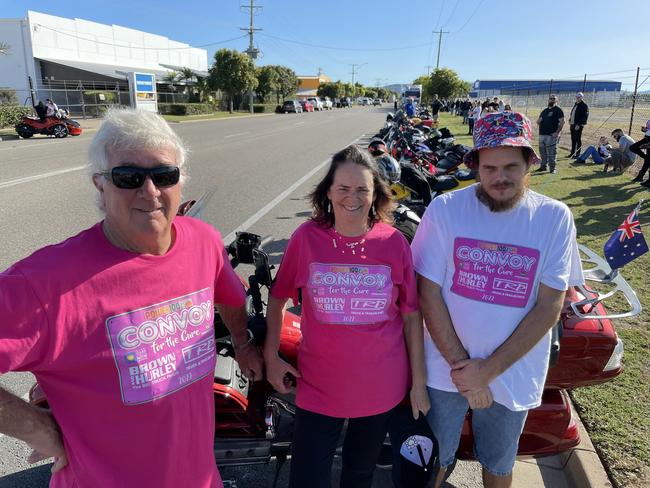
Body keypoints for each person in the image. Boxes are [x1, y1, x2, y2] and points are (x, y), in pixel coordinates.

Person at [0, 108, 264, 488]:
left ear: (181, 181)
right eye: (128, 177)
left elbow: (229, 294)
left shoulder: (203, 241)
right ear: (100, 185)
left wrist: (242, 343)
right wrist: (39, 429)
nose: (150, 191)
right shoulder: (45, 283)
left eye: (164, 175)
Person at [411, 111, 583, 488]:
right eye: (489, 167)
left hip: (513, 370)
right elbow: (429, 291)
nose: (499, 177)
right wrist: (465, 369)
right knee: (433, 458)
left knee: (499, 461)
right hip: (445, 369)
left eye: (510, 166)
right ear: (475, 165)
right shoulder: (445, 209)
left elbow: (550, 305)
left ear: (528, 165)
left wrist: (487, 371)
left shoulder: (554, 217)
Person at [264, 144, 430, 488]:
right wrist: (271, 357)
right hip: (319, 384)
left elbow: (412, 316)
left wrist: (418, 384)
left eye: (361, 190)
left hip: (381, 385)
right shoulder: (306, 238)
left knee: (359, 474)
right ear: (328, 192)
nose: (351, 197)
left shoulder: (394, 243)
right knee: (307, 478)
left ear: (375, 195)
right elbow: (279, 297)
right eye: (342, 188)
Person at [536, 94, 565, 174]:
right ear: (548, 100)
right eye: (550, 98)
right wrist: (539, 122)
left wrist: (557, 132)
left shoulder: (558, 110)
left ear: (556, 100)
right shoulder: (545, 111)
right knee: (542, 152)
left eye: (553, 99)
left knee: (551, 153)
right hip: (542, 134)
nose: (552, 100)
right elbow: (539, 121)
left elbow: (562, 122)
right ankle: (543, 167)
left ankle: (552, 168)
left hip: (551, 135)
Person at [569, 92, 589, 159]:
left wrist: (579, 124)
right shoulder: (576, 104)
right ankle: (572, 153)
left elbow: (584, 116)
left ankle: (577, 154)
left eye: (579, 97)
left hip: (578, 125)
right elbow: (573, 113)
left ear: (582, 97)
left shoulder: (584, 105)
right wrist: (570, 119)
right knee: (573, 139)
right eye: (577, 97)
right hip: (572, 124)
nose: (578, 98)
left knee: (578, 139)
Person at [630, 119, 650, 187]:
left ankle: (642, 178)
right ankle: (640, 177)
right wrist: (645, 129)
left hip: (649, 139)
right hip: (647, 138)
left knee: (632, 147)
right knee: (647, 159)